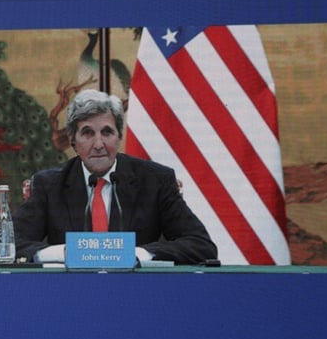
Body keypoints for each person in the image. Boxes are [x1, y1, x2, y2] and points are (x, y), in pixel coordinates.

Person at [14, 89, 216, 265]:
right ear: (72, 140)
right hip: (70, 292)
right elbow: (11, 244)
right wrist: (64, 253)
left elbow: (200, 245)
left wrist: (139, 254)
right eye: (87, 133)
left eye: (107, 132)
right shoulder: (49, 185)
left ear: (119, 136)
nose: (99, 144)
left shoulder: (155, 180)